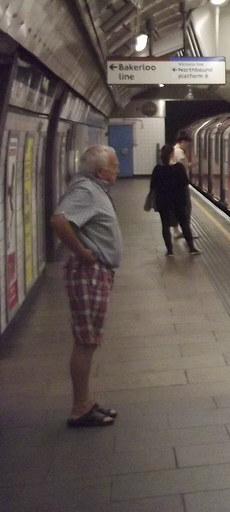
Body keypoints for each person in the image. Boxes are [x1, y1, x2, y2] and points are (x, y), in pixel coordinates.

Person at [50, 145, 123, 428]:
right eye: (114, 165)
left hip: (96, 273)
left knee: (89, 340)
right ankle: (80, 408)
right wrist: (81, 252)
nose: (117, 169)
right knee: (86, 341)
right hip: (88, 273)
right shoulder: (85, 191)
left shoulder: (94, 188)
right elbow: (59, 220)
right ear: (101, 170)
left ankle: (87, 400)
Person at [150, 144, 199, 256]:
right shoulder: (179, 168)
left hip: (163, 201)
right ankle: (191, 248)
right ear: (172, 154)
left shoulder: (157, 169)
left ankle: (170, 251)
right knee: (184, 223)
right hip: (178, 201)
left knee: (165, 225)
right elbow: (185, 183)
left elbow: (153, 185)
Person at [169, 130, 192, 239]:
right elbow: (184, 166)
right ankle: (185, 231)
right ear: (183, 141)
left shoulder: (175, 150)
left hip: (176, 183)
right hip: (181, 183)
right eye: (187, 143)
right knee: (186, 207)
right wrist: (194, 163)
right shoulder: (179, 152)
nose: (187, 146)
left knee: (179, 207)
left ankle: (179, 230)